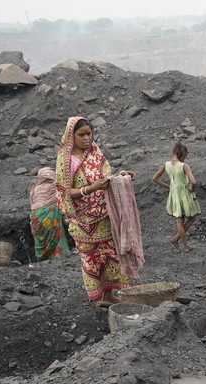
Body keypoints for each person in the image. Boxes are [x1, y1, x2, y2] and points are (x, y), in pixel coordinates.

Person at [55, 117, 135, 309]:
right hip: (83, 221)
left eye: (89, 134)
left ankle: (109, 294)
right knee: (91, 260)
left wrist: (122, 177)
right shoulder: (66, 161)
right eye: (81, 135)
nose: (86, 138)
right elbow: (65, 193)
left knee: (110, 256)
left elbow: (107, 178)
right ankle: (97, 298)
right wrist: (90, 189)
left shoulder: (95, 153)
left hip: (104, 217)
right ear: (71, 136)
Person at [151, 140, 201, 252]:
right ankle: (185, 245)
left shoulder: (166, 164)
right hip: (184, 194)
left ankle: (176, 239)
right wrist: (191, 189)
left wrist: (169, 187)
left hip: (174, 194)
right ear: (181, 154)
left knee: (179, 220)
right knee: (192, 217)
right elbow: (193, 181)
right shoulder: (184, 166)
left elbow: (154, 179)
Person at [29, 167, 69, 260]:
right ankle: (60, 257)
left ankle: (42, 259)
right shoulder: (54, 186)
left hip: (35, 218)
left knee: (40, 240)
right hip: (49, 217)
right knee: (55, 236)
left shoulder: (34, 189)